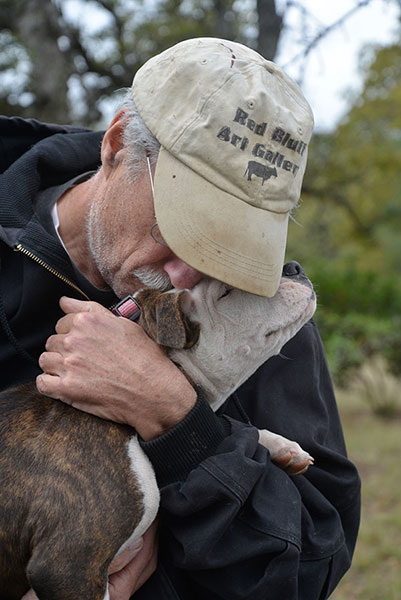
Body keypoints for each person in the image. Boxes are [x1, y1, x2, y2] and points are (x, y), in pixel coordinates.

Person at [0, 38, 360, 599]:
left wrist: (179, 423)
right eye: (177, 231)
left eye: (230, 249)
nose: (190, 275)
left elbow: (311, 564)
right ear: (117, 144)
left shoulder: (258, 317)